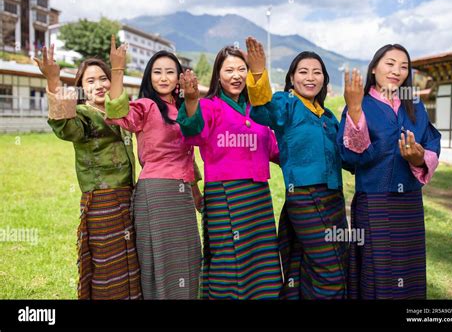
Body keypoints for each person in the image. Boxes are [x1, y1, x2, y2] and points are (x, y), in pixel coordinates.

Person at [34, 40, 141, 300]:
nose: (99, 85)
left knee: (131, 263)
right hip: (102, 204)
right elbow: (66, 127)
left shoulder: (121, 113)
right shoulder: (82, 115)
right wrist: (53, 82)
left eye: (103, 78)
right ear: (82, 88)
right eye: (90, 81)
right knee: (108, 266)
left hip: (129, 199)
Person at [176, 44, 282, 300]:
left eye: (242, 69)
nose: (236, 76)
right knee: (230, 261)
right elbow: (192, 131)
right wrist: (191, 101)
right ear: (218, 75)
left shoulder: (256, 110)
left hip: (257, 196)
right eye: (229, 70)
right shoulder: (210, 106)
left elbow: (275, 149)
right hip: (226, 195)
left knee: (262, 260)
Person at [247, 37, 349, 299]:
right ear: (292, 78)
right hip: (306, 198)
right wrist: (258, 73)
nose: (310, 77)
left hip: (334, 201)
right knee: (331, 270)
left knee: (307, 265)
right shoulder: (287, 104)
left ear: (325, 81)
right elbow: (262, 111)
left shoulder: (328, 118)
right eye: (303, 72)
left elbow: (347, 157)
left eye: (317, 73)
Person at [337, 44, 441, 299]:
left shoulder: (415, 106)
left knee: (410, 270)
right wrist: (354, 111)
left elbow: (431, 142)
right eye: (390, 63)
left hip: (409, 204)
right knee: (377, 272)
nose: (397, 71)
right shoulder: (360, 104)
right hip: (374, 203)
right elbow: (349, 157)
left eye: (404, 66)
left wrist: (418, 158)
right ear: (374, 67)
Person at [104, 38, 202, 299]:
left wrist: (196, 192)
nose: (163, 77)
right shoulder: (146, 106)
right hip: (156, 193)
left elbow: (190, 154)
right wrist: (117, 70)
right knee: (159, 259)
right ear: (149, 76)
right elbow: (115, 111)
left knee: (188, 257)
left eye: (170, 71)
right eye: (157, 72)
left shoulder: (184, 108)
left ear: (180, 78)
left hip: (182, 196)